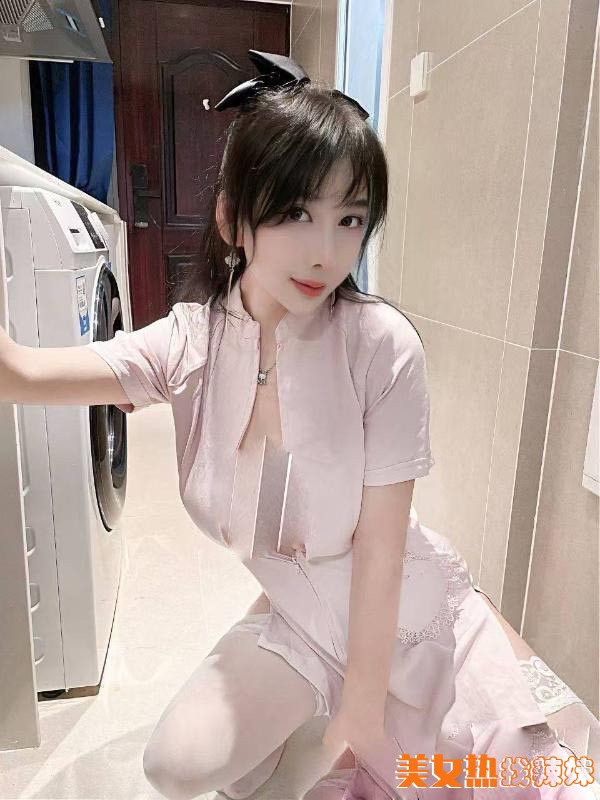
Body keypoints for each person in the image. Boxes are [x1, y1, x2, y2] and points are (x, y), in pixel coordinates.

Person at [1, 50, 596, 800]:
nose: (326, 251)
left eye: (350, 219)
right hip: (302, 617)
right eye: (294, 214)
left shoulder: (381, 345)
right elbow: (20, 374)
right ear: (233, 218)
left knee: (516, 778)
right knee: (175, 765)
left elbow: (380, 550)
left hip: (406, 619)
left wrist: (361, 708)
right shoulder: (189, 342)